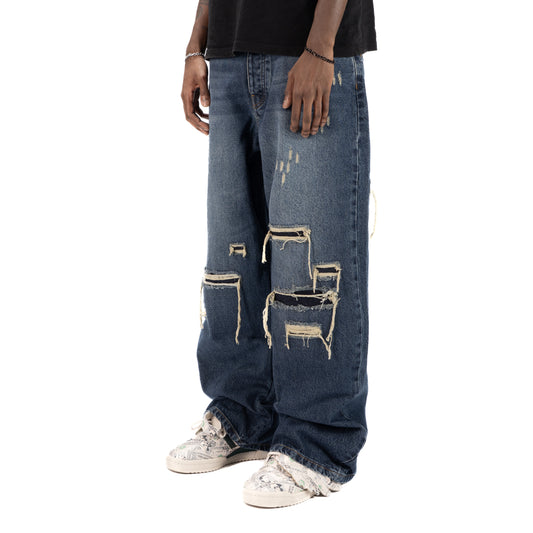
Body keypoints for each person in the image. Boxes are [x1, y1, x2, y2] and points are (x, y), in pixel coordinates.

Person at [167, 0, 377, 508]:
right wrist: (197, 46)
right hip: (230, 54)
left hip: (308, 50)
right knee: (230, 256)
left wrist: (321, 48)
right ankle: (243, 413)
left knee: (311, 254)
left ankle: (316, 442)